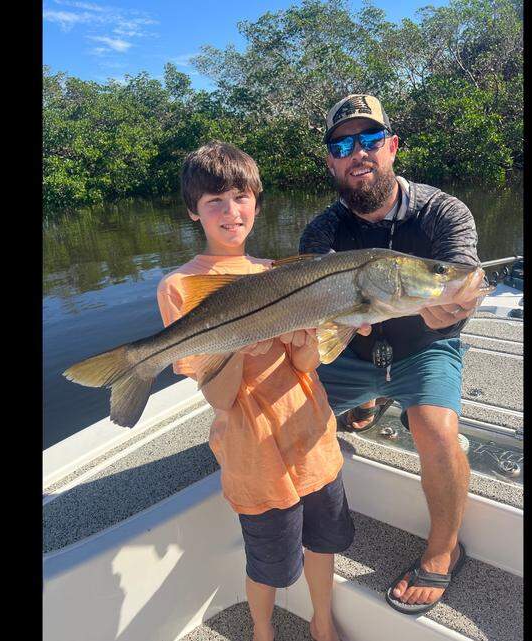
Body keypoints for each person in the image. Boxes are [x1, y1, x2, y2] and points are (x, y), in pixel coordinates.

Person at [157, 142, 353, 641]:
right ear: (192, 211)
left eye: (241, 197)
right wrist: (243, 345)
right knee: (268, 564)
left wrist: (313, 339)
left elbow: (306, 365)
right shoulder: (181, 287)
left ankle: (322, 619)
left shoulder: (279, 273)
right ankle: (262, 632)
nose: (230, 211)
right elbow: (218, 397)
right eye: (214, 201)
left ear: (257, 203)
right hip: (253, 455)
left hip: (311, 438)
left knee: (323, 543)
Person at [299, 94, 486, 615]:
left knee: (435, 429)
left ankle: (444, 550)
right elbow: (324, 321)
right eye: (343, 144)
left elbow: (461, 283)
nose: (358, 153)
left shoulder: (442, 211)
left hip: (423, 349)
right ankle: (364, 401)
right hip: (350, 352)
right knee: (274, 421)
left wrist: (452, 308)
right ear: (332, 160)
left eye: (370, 140)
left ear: (392, 147)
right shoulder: (322, 229)